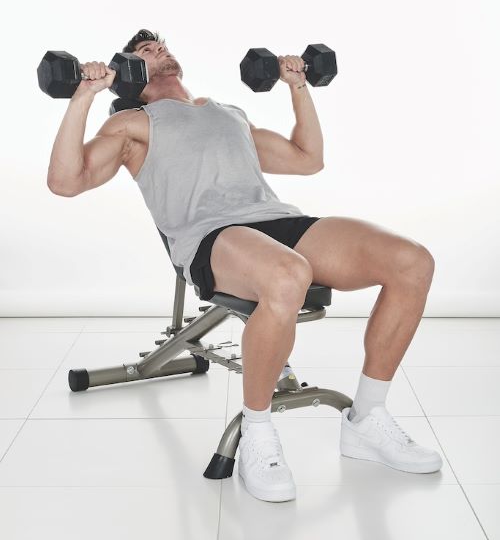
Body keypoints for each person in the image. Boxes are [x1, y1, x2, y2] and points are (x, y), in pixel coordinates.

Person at [47, 28, 443, 503]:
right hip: (211, 237)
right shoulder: (132, 124)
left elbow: (307, 159)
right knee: (287, 274)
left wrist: (298, 87)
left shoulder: (228, 114)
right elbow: (66, 182)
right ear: (129, 74)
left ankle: (368, 419)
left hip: (280, 223)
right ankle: (258, 433)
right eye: (146, 52)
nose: (161, 51)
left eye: (162, 46)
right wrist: (83, 97)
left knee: (412, 262)